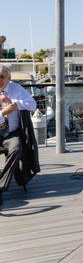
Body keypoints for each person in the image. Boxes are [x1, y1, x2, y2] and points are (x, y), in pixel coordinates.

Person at [0, 65, 37, 204]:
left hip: (11, 133)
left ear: (8, 78)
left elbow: (32, 105)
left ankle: (1, 186)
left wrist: (14, 103)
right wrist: (3, 113)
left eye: (1, 77)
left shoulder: (16, 89)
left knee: (16, 148)